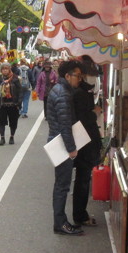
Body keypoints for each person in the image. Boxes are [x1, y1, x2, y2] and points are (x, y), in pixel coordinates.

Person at [46, 60, 85, 235]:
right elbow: (64, 125)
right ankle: (60, 223)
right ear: (67, 76)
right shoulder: (63, 94)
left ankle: (61, 221)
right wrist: (71, 148)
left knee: (61, 185)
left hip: (58, 141)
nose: (79, 79)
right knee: (62, 185)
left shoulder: (61, 90)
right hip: (60, 144)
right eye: (77, 76)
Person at [71, 59, 103, 226]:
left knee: (82, 179)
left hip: (83, 140)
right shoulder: (80, 94)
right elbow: (82, 119)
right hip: (84, 141)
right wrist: (94, 112)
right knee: (82, 180)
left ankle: (80, 214)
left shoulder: (82, 91)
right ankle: (80, 215)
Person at [0, 63, 22, 146]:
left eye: (6, 69)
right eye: (3, 69)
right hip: (2, 104)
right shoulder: (0, 78)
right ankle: (2, 138)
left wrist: (19, 103)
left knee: (13, 122)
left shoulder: (15, 78)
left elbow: (20, 91)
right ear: (1, 70)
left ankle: (12, 136)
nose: (5, 70)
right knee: (1, 122)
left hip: (13, 104)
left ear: (9, 69)